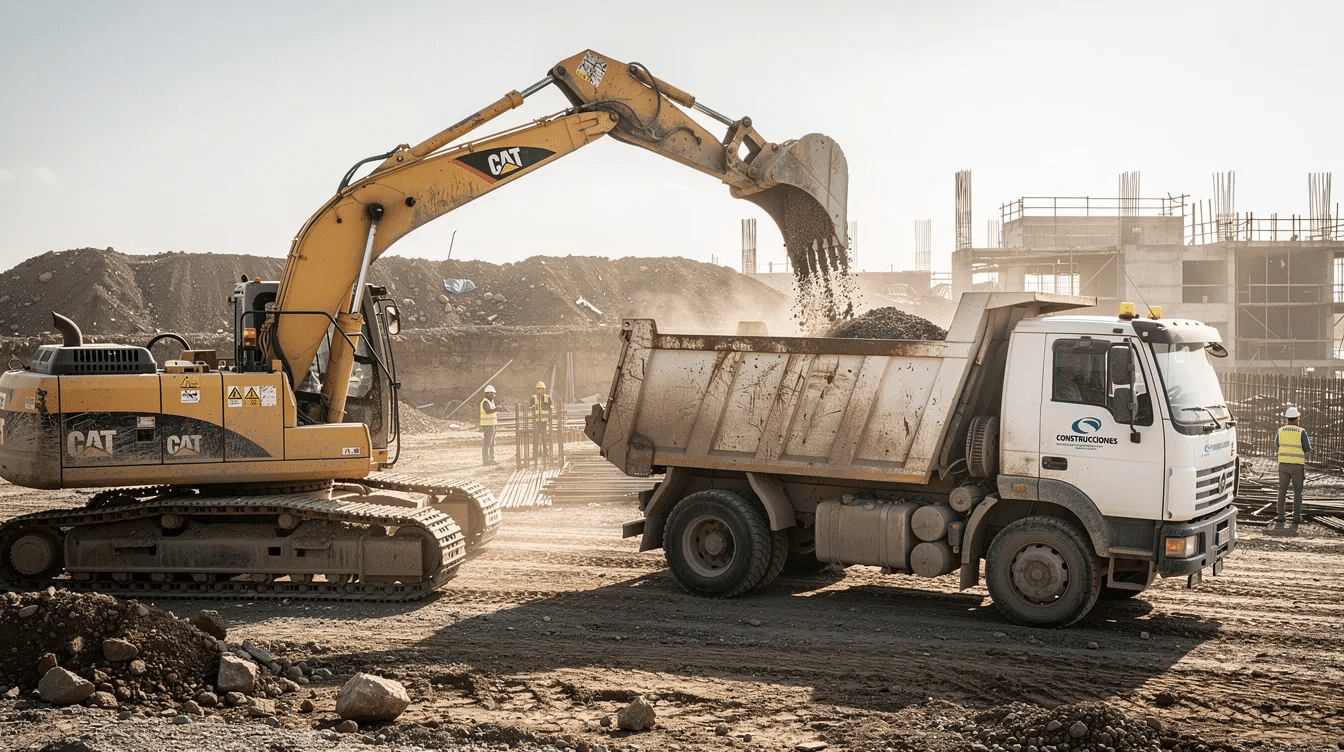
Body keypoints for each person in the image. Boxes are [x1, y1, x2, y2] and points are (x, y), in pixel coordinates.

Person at [1276, 405, 1311, 533]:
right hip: (1296, 465)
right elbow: (1307, 448)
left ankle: (1280, 516)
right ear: (1297, 418)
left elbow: (1277, 445)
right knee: (1297, 491)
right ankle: (1296, 518)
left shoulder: (1280, 430)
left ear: (1287, 418)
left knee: (1282, 490)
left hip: (1283, 465)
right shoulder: (1301, 431)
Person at [531, 381, 554, 457]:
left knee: (544, 437)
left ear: (544, 390)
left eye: (541, 389)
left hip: (544, 421)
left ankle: (545, 452)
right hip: (536, 421)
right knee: (536, 438)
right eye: (538, 389)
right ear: (536, 390)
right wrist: (533, 407)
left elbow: (551, 407)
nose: (540, 391)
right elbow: (530, 407)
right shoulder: (533, 398)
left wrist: (546, 407)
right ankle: (536, 453)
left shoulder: (548, 398)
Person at [479, 385, 500, 466]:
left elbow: (492, 411)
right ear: (488, 393)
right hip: (488, 426)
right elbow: (487, 411)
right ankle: (486, 461)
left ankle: (491, 459)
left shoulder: (491, 402)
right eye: (493, 393)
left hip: (492, 425)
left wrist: (496, 409)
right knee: (487, 444)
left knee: (492, 444)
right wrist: (496, 409)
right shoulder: (485, 402)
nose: (494, 395)